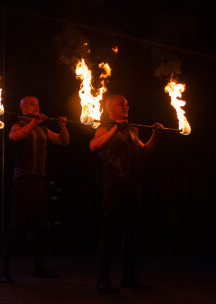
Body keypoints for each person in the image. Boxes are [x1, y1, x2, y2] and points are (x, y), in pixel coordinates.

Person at [89, 94, 163, 293]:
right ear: (110, 108)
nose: (126, 105)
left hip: (132, 185)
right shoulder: (104, 128)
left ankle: (130, 277)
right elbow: (94, 145)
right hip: (113, 186)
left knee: (131, 233)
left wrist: (155, 135)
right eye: (122, 103)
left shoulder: (131, 130)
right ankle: (103, 278)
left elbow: (145, 151)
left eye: (127, 103)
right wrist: (115, 128)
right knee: (109, 233)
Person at [0, 96, 70, 283]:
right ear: (23, 108)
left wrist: (63, 126)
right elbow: (15, 136)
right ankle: (4, 269)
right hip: (23, 179)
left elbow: (64, 141)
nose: (37, 106)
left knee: (40, 225)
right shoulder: (18, 125)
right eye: (32, 103)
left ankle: (39, 267)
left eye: (38, 103)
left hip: (40, 179)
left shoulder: (43, 129)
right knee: (18, 223)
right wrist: (33, 122)